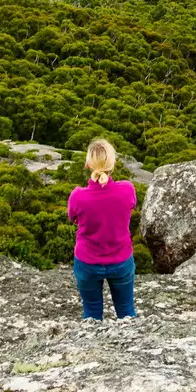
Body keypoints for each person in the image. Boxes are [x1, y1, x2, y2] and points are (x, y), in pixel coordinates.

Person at [67, 137, 138, 320]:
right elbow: (130, 206)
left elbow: (72, 217)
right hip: (121, 260)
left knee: (91, 313)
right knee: (126, 313)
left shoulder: (77, 196)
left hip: (87, 262)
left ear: (88, 164)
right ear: (112, 164)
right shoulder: (127, 190)